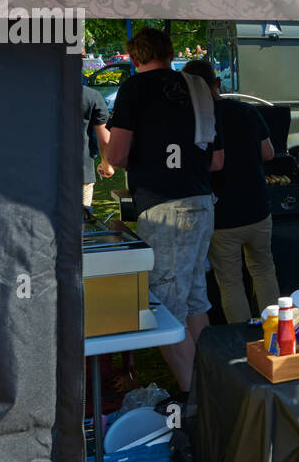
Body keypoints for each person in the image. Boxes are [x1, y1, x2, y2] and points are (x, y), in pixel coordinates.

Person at [103, 28, 223, 394]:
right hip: (202, 202)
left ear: (135, 57)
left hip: (165, 209)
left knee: (164, 311)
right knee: (194, 300)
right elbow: (216, 160)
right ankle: (217, 387)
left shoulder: (134, 88)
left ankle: (196, 399)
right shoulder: (198, 87)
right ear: (171, 53)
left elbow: (117, 155)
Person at [182, 60, 280, 321]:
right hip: (258, 208)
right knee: (263, 270)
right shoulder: (245, 110)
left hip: (222, 215)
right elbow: (268, 152)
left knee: (230, 281)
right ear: (218, 83)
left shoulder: (195, 119)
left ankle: (241, 342)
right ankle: (274, 330)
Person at [82, 80, 110, 219]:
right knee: (81, 223)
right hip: (82, 171)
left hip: (40, 173)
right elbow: (104, 139)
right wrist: (106, 163)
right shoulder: (92, 96)